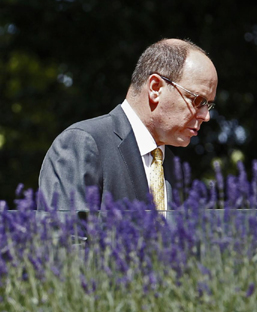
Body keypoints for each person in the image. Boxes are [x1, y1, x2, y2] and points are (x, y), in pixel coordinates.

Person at [38, 38, 218, 211]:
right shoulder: (82, 144)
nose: (206, 116)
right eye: (198, 100)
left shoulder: (173, 167)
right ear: (156, 88)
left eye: (208, 104)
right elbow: (64, 239)